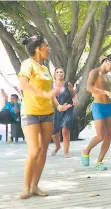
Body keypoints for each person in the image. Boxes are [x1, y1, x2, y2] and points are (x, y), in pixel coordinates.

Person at [18, 35, 71, 199]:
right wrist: (42, 93)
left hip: (47, 113)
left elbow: (51, 94)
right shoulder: (28, 64)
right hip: (30, 113)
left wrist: (58, 105)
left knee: (43, 151)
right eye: (46, 45)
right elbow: (24, 85)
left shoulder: (46, 68)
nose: (49, 48)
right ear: (37, 48)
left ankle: (35, 186)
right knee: (34, 151)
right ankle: (26, 187)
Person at [81, 54, 111, 171]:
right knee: (100, 135)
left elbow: (110, 92)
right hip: (98, 106)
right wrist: (104, 92)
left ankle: (99, 162)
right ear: (106, 61)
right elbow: (89, 87)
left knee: (109, 135)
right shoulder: (94, 72)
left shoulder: (108, 77)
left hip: (108, 107)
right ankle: (86, 151)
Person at [51, 67, 77, 158]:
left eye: (61, 72)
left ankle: (66, 152)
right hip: (56, 111)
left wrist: (74, 100)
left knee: (65, 130)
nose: (59, 73)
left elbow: (74, 94)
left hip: (68, 109)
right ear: (55, 74)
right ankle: (57, 147)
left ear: (64, 74)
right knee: (54, 135)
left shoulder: (68, 84)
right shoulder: (51, 86)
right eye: (57, 72)